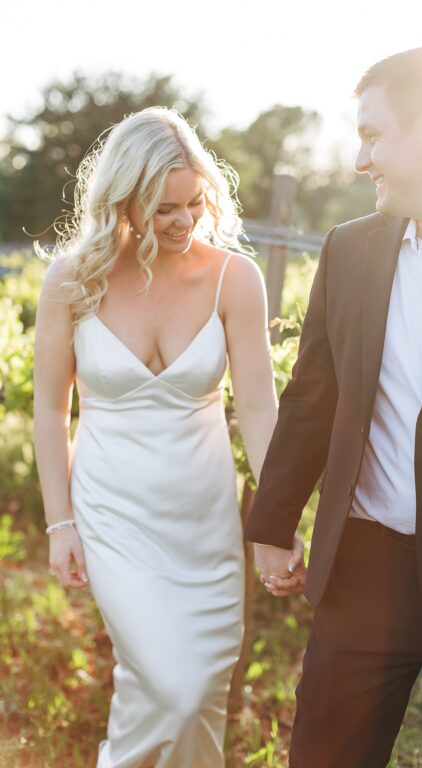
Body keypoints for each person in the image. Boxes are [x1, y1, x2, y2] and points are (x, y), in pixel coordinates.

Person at [243, 45, 422, 766]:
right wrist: (272, 522)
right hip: (362, 574)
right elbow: (312, 396)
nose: (361, 160)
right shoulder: (350, 249)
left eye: (371, 135)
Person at [33, 107, 300, 767]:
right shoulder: (72, 280)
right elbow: (47, 409)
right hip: (114, 519)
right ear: (122, 202)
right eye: (162, 210)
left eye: (195, 202)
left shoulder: (236, 279)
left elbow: (260, 410)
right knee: (170, 690)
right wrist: (59, 523)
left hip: (204, 529)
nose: (184, 221)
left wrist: (277, 517)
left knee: (194, 696)